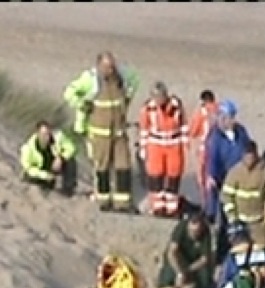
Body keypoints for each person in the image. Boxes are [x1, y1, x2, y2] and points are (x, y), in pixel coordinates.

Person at [62, 51, 139, 212]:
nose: (110, 70)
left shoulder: (122, 77)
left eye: (112, 66)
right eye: (106, 67)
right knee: (102, 168)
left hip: (119, 133)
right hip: (99, 134)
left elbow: (135, 80)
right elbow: (69, 93)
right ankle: (103, 201)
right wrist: (83, 104)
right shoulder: (90, 80)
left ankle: (123, 203)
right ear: (99, 66)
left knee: (123, 166)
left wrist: (127, 98)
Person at [138, 81, 188, 218]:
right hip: (156, 143)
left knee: (174, 174)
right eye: (156, 97)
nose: (159, 100)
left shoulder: (176, 105)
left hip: (174, 142)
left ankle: (172, 207)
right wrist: (143, 147)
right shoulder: (147, 108)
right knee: (155, 175)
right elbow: (144, 129)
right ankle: (158, 207)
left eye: (161, 96)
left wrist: (185, 142)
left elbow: (183, 124)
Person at [156, 211, 214, 288]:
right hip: (179, 258)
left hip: (194, 261)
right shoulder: (181, 228)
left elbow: (205, 259)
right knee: (168, 274)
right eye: (192, 231)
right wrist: (180, 272)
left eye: (197, 232)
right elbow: (172, 251)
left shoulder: (206, 232)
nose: (195, 234)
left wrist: (188, 271)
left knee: (205, 279)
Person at [204, 100, 252, 227]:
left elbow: (248, 148)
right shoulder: (215, 137)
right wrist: (212, 176)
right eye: (227, 117)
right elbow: (212, 158)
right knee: (224, 207)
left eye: (232, 117)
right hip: (223, 177)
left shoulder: (241, 131)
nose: (231, 121)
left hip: (241, 174)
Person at [222, 141, 265, 248]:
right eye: (247, 156)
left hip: (259, 222)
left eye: (252, 156)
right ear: (243, 156)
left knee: (262, 251)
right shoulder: (235, 172)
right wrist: (232, 217)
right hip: (240, 222)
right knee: (241, 252)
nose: (249, 160)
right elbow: (227, 197)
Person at [19, 120, 78, 196]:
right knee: (31, 179)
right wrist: (44, 175)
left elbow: (72, 148)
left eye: (48, 134)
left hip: (52, 168)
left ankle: (68, 189)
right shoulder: (28, 148)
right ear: (37, 134)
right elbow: (28, 167)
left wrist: (61, 157)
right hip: (38, 172)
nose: (46, 137)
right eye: (43, 134)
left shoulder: (58, 137)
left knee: (70, 160)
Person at [187, 89, 218, 208]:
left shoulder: (202, 112)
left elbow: (193, 131)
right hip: (218, 148)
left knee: (203, 179)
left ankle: (207, 206)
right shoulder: (221, 110)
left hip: (205, 149)